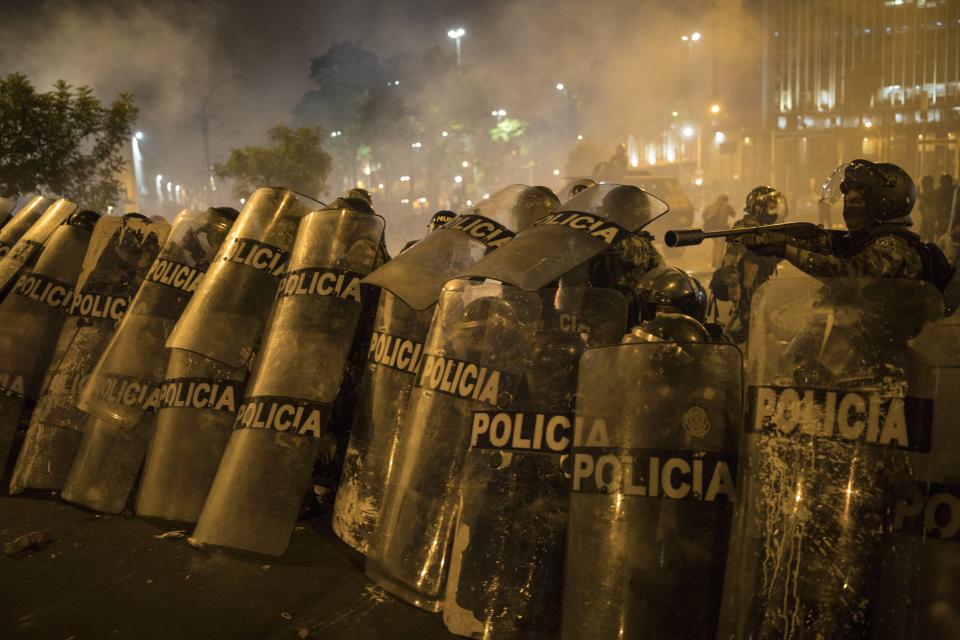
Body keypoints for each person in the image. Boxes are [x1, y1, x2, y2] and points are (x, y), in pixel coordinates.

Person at [745, 160, 950, 285]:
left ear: (883, 204)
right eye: (847, 201)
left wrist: (786, 250)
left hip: (885, 346)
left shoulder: (893, 247)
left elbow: (847, 274)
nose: (848, 207)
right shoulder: (867, 239)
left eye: (857, 201)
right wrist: (777, 239)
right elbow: (830, 244)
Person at [717, 185, 786, 342]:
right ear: (759, 208)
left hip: (759, 286)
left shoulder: (764, 229)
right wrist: (734, 288)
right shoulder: (744, 228)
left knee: (756, 327)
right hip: (746, 288)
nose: (775, 211)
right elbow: (730, 260)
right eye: (772, 206)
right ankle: (728, 351)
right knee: (749, 328)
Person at [702, 194, 736, 268]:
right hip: (722, 229)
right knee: (720, 248)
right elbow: (733, 214)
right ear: (726, 200)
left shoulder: (711, 206)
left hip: (712, 229)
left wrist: (707, 220)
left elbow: (703, 214)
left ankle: (714, 262)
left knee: (715, 245)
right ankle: (718, 266)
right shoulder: (727, 206)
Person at [935, 174, 956, 240]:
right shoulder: (939, 191)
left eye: (948, 181)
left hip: (951, 215)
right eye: (945, 182)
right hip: (942, 215)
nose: (947, 183)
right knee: (940, 232)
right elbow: (936, 204)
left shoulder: (954, 190)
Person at [918, 175, 937, 242]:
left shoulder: (930, 193)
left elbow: (924, 198)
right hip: (926, 216)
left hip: (929, 217)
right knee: (925, 232)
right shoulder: (928, 192)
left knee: (928, 232)